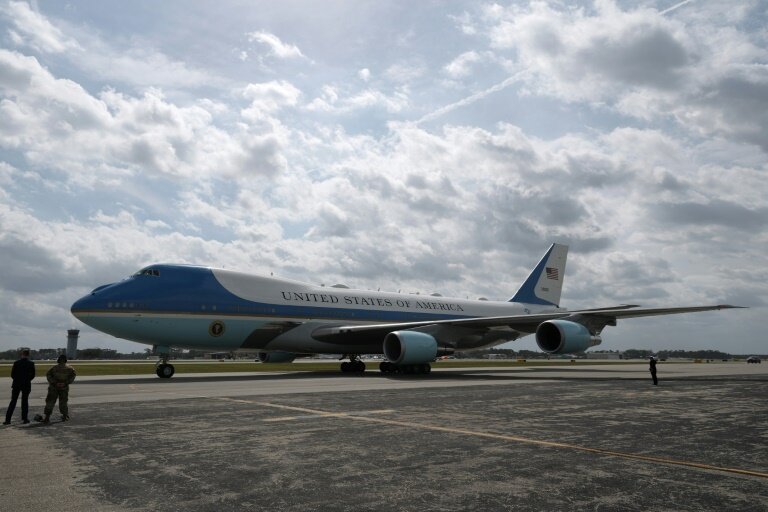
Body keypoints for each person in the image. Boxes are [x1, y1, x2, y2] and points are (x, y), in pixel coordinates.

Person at [3, 349, 36, 425]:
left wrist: (17, 380)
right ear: (28, 355)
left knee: (13, 401)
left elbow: (12, 375)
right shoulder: (31, 363)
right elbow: (33, 375)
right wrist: (27, 380)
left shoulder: (16, 363)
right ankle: (25, 419)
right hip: (26, 384)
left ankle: (8, 420)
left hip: (16, 384)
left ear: (22, 354)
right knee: (25, 401)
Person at [42, 354, 77, 423]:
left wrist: (55, 383)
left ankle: (47, 417)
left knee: (50, 402)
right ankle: (64, 416)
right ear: (65, 360)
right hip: (64, 387)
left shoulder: (53, 368)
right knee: (63, 402)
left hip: (53, 387)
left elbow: (48, 375)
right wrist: (65, 383)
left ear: (58, 360)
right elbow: (72, 377)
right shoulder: (70, 368)